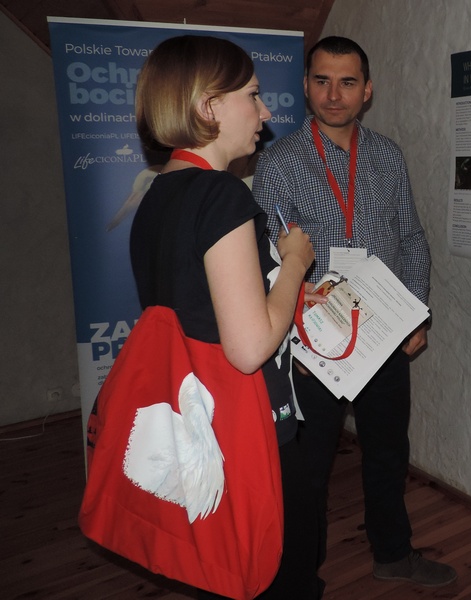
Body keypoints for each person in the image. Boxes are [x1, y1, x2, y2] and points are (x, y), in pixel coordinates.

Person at [253, 36, 456, 589]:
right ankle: (299, 581)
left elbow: (411, 237)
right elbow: (266, 258)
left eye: (347, 82)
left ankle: (394, 554)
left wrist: (417, 314)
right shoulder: (278, 162)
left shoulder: (387, 155)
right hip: (313, 344)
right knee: (308, 471)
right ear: (305, 86)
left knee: (388, 454)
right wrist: (288, 335)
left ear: (367, 90)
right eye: (322, 81)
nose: (333, 94)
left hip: (383, 334)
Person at [131, 35, 325, 599]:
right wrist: (295, 264)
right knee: (283, 574)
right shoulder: (223, 196)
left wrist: (282, 295)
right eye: (253, 95)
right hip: (245, 431)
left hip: (199, 424)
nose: (265, 113)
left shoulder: (160, 193)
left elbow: (200, 305)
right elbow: (248, 347)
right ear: (207, 105)